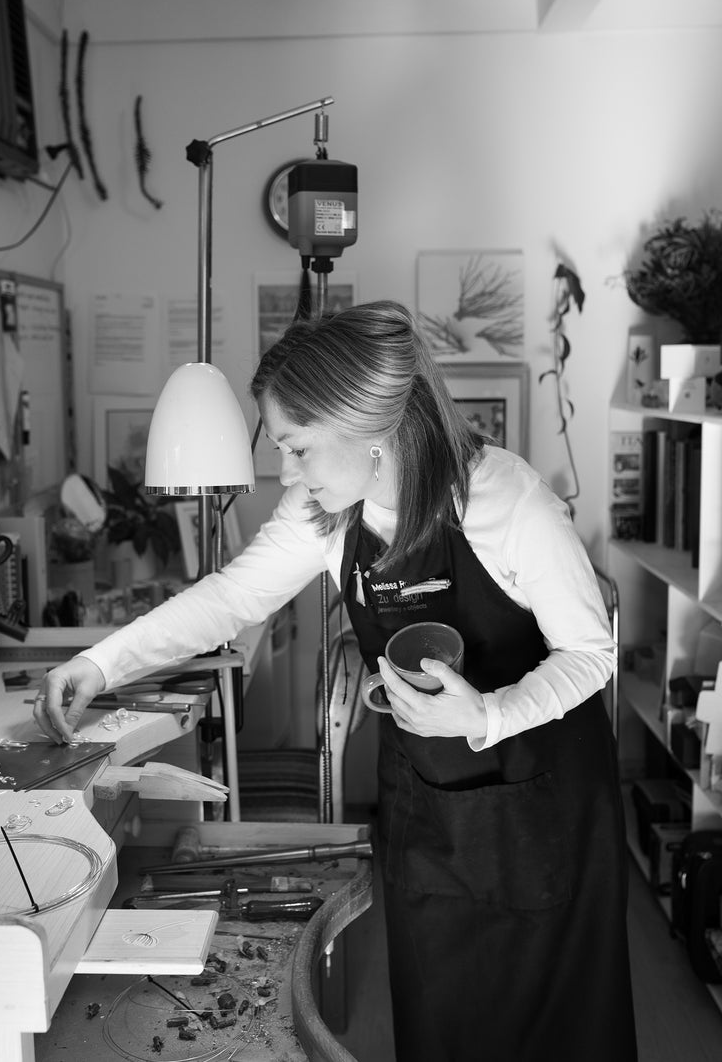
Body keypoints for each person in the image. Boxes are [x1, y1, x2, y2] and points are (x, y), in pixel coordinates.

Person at [34, 300, 637, 1062]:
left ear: (372, 433)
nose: (285, 472)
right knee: (440, 1023)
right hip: (433, 810)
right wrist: (99, 662)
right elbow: (230, 597)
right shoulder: (325, 513)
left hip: (545, 810)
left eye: (299, 448)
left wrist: (485, 712)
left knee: (556, 1036)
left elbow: (591, 652)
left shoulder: (505, 500)